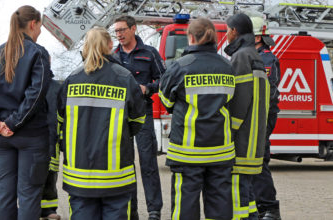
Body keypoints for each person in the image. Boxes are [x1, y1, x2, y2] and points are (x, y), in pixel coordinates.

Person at [57, 27, 146, 220]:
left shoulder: (72, 80)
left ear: (86, 47)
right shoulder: (124, 78)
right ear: (110, 46)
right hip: (115, 173)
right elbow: (138, 120)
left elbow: (59, 122)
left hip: (79, 174)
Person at [0, 5, 52, 220]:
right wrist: (12, 122)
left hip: (1, 137)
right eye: (39, 27)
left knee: (3, 193)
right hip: (30, 135)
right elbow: (36, 95)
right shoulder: (38, 53)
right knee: (28, 194)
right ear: (32, 24)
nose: (39, 32)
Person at [159, 17, 235, 220]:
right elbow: (232, 102)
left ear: (190, 37)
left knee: (185, 208)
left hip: (187, 152)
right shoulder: (228, 67)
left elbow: (166, 101)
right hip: (220, 150)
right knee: (220, 207)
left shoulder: (179, 67)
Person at [113, 15, 164, 220]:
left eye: (122, 30)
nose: (119, 34)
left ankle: (154, 210)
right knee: (125, 164)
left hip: (143, 114)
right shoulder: (112, 56)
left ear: (133, 29)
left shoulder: (150, 53)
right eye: (116, 31)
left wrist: (147, 88)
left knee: (148, 162)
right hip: (119, 117)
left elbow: (163, 80)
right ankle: (131, 209)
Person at [224, 13, 269, 220]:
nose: (226, 35)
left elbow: (239, 99)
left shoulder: (241, 56)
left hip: (242, 139)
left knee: (238, 192)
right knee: (249, 194)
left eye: (227, 30)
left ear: (234, 31)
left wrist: (230, 129)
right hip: (254, 138)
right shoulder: (254, 55)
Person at [250, 16, 281, 220]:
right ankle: (259, 206)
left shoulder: (266, 59)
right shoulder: (253, 56)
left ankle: (270, 208)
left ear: (256, 37)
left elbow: (265, 93)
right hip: (254, 117)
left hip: (262, 117)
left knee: (260, 163)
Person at [41, 79, 62, 220]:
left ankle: (48, 209)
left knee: (50, 175)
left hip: (51, 137)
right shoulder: (25, 81)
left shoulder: (56, 87)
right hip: (31, 138)